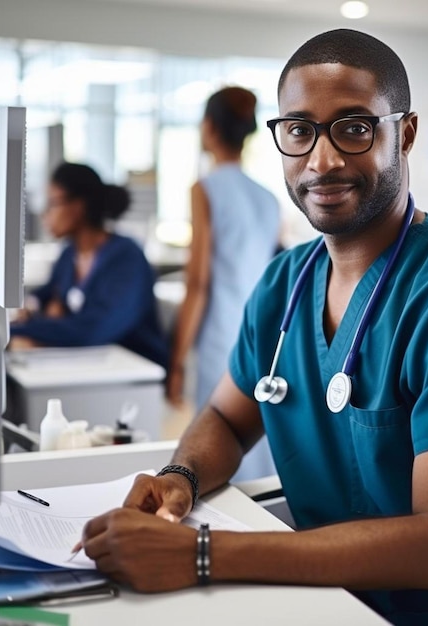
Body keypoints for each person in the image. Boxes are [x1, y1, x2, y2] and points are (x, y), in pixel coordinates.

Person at [81, 29, 428, 626]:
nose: (321, 160)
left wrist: (201, 555)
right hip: (322, 600)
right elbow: (226, 415)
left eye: (353, 127)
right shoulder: (286, 282)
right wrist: (182, 476)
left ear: (403, 133)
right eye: (299, 130)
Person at [166, 86, 281, 480]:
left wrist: (176, 360)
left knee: (217, 435)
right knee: (255, 434)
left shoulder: (205, 189)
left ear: (209, 127)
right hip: (260, 329)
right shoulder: (268, 198)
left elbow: (198, 282)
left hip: (218, 332)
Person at [10, 162, 168, 369]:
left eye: (51, 203)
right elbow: (46, 294)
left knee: (23, 344)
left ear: (78, 207)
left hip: (133, 371)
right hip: (88, 362)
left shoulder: (126, 258)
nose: (44, 214)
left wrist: (16, 329)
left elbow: (94, 329)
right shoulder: (70, 253)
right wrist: (32, 307)